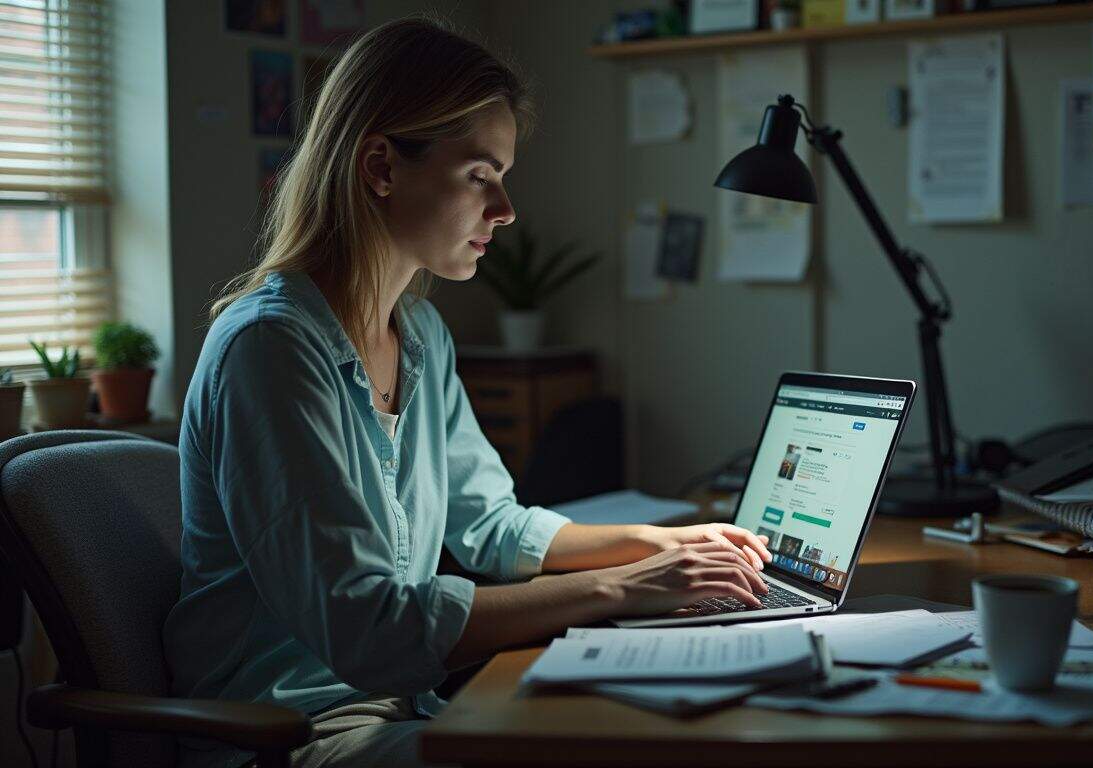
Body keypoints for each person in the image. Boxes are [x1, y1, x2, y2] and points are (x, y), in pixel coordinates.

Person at [163, 17, 772, 768]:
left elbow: (493, 525)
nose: (505, 209)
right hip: (292, 737)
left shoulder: (418, 333)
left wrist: (667, 546)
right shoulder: (270, 349)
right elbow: (369, 630)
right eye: (480, 175)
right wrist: (623, 587)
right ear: (381, 166)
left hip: (406, 707)